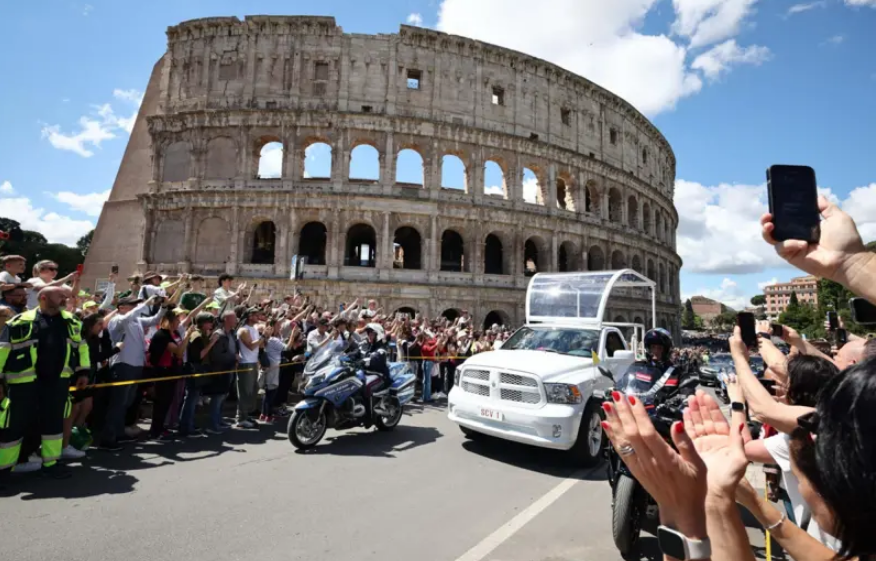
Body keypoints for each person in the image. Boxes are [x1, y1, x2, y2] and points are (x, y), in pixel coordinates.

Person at [0, 286, 90, 480]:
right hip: (23, 384)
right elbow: (2, 350)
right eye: (60, 296)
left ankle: (51, 464)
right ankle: (4, 470)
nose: (65, 299)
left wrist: (83, 371)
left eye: (66, 297)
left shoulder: (72, 322)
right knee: (14, 427)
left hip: (57, 383)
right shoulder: (18, 322)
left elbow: (82, 347)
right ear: (43, 297)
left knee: (54, 425)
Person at [99, 294, 166, 450]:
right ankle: (107, 439)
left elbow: (155, 320)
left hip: (136, 365)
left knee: (126, 403)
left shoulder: (137, 321)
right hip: (123, 365)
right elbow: (127, 317)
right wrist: (146, 303)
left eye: (136, 305)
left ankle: (119, 432)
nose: (135, 307)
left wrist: (163, 307)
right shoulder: (117, 320)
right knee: (117, 403)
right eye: (132, 305)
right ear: (121, 308)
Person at [147, 310, 195, 440]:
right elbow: (179, 352)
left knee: (166, 402)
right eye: (175, 321)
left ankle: (161, 428)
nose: (177, 324)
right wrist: (188, 335)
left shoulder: (172, 334)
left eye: (178, 321)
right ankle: (155, 431)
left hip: (171, 371)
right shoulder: (162, 335)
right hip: (162, 371)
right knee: (161, 403)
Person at [204, 311, 238, 433]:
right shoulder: (218, 335)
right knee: (217, 397)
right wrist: (234, 357)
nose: (236, 320)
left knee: (223, 396)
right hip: (219, 371)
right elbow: (217, 356)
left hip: (229, 369)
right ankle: (213, 424)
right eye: (234, 318)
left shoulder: (232, 333)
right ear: (226, 319)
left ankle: (219, 420)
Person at [236, 307, 263, 429]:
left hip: (253, 363)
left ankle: (246, 415)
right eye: (256, 315)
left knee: (253, 390)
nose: (258, 317)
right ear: (249, 316)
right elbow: (251, 346)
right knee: (245, 392)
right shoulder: (243, 330)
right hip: (245, 364)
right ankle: (241, 418)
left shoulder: (254, 329)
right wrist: (263, 337)